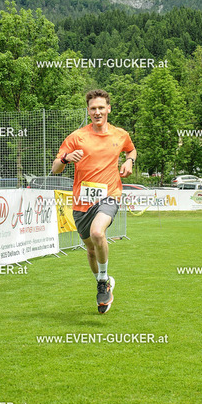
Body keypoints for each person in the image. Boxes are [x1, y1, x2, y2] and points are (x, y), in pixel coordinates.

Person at [52, 89, 136, 314]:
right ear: (88, 111)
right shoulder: (77, 137)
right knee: (90, 250)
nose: (97, 112)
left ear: (108, 108)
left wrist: (129, 161)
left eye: (101, 108)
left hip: (109, 195)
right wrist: (65, 158)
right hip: (82, 202)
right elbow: (55, 168)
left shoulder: (120, 135)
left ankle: (102, 281)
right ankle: (104, 281)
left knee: (98, 233)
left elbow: (131, 150)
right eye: (93, 109)